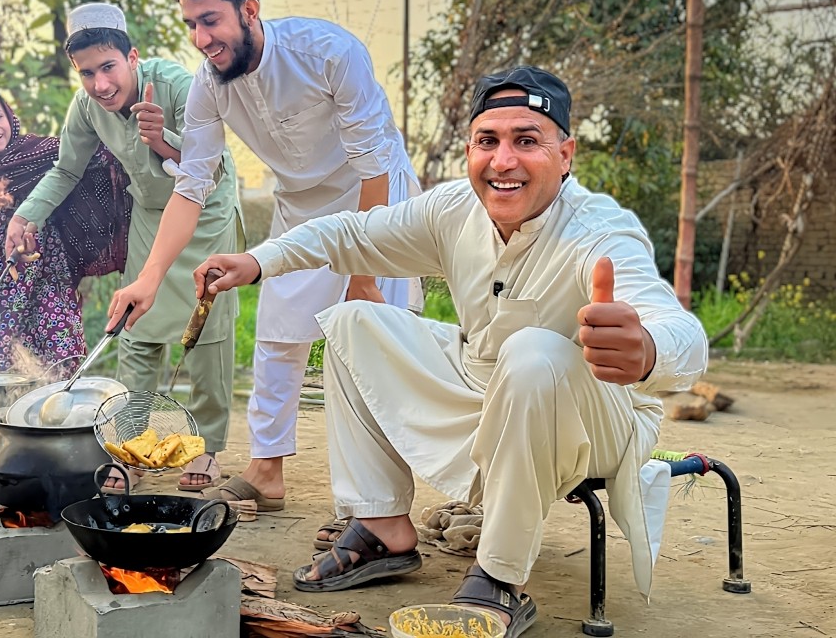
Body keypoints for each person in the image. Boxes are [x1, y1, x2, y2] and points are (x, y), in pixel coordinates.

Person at [194, 66, 709, 637]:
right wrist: (259, 261)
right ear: (470, 148)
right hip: (479, 383)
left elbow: (680, 330)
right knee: (352, 322)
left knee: (533, 352)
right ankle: (383, 526)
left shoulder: (600, 233)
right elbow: (350, 233)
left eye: (526, 141)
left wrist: (647, 349)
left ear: (566, 154)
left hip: (589, 418)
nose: (503, 161)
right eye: (488, 141)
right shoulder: (453, 209)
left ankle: (499, 575)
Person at [106, 0, 423, 513]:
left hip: (376, 200)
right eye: (191, 25)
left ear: (248, 10)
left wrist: (362, 275)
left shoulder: (329, 53)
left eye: (211, 21)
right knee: (278, 334)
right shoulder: (210, 86)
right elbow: (190, 186)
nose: (201, 39)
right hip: (300, 205)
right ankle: (266, 471)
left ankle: (377, 507)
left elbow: (374, 164)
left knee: (373, 343)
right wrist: (149, 279)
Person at [6, 3, 243, 491]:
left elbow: (210, 168)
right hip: (151, 217)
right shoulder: (87, 106)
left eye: (108, 67)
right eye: (87, 73)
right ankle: (130, 441)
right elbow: (67, 170)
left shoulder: (179, 85)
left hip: (206, 212)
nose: (100, 84)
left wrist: (161, 140)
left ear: (132, 57)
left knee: (206, 330)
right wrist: (27, 213)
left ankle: (206, 446)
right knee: (134, 327)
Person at [0, 85, 130, 377]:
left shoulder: (41, 156)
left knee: (62, 365)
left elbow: (87, 153)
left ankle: (56, 418)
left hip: (48, 281)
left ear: (10, 117)